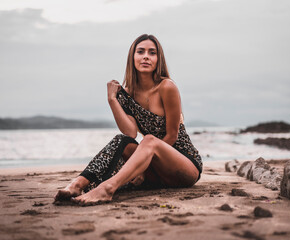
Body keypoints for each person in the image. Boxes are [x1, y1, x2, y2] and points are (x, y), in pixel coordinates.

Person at [54, 34, 202, 205]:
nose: (146, 56)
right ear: (132, 57)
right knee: (121, 140)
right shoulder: (128, 93)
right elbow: (130, 132)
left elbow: (172, 135)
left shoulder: (167, 87)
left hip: (184, 166)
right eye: (140, 51)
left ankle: (107, 188)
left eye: (152, 53)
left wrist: (143, 162)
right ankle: (77, 184)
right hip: (156, 171)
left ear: (158, 59)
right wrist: (112, 100)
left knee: (149, 140)